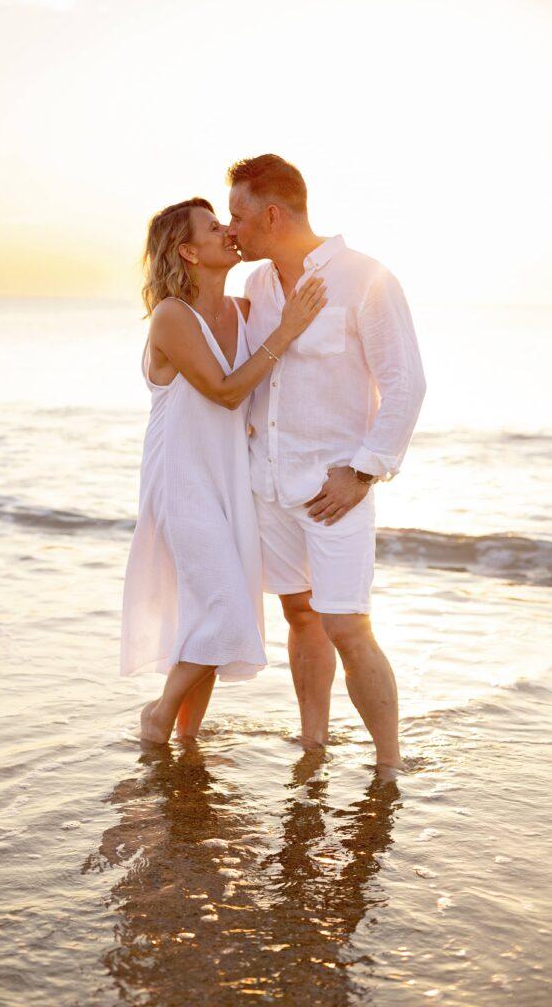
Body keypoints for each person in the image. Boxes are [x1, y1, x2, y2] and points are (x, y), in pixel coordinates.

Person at [226, 154, 427, 770]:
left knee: (347, 624)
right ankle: (312, 742)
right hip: (270, 484)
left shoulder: (364, 278)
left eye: (237, 216)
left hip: (334, 486)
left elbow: (406, 384)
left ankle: (389, 764)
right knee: (300, 614)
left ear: (272, 214)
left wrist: (363, 472)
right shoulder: (258, 287)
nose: (232, 228)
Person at [119, 197, 327, 744]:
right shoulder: (171, 316)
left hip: (232, 479)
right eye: (213, 228)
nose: (228, 232)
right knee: (226, 608)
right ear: (188, 251)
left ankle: (185, 737)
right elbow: (228, 391)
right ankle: (160, 715)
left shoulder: (240, 310)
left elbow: (266, 392)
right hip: (182, 482)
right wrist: (288, 328)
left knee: (208, 610)